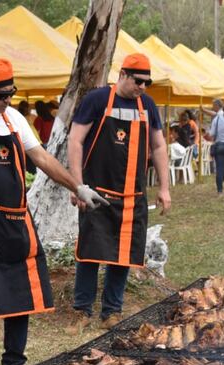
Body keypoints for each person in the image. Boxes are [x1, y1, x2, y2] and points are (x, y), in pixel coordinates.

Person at [0, 58, 107, 365]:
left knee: (21, 293)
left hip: (15, 218)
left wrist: (78, 186)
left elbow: (42, 158)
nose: (8, 102)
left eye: (11, 95)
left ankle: (15, 364)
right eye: (3, 95)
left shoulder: (12, 117)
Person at [66, 53, 171, 333]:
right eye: (139, 81)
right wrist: (77, 185)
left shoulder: (147, 105)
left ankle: (112, 312)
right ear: (123, 74)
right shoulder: (97, 100)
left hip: (132, 196)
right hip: (96, 192)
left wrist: (164, 187)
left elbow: (159, 147)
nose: (143, 87)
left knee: (123, 254)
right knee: (89, 252)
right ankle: (81, 311)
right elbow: (75, 141)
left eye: (147, 82)